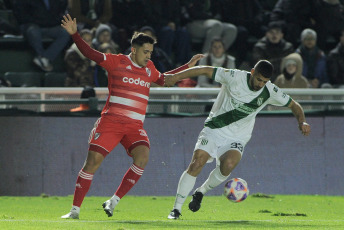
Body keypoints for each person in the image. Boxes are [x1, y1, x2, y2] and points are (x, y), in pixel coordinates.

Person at [60, 14, 203, 219]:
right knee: (92, 162)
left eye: (151, 52)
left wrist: (188, 67)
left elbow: (167, 80)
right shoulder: (116, 61)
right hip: (111, 122)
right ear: (133, 50)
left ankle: (113, 201)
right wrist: (75, 35)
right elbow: (90, 53)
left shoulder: (150, 69)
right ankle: (75, 211)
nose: (149, 56)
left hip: (134, 126)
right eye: (146, 52)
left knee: (142, 158)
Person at [163, 60, 311, 219]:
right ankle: (176, 209)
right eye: (259, 79)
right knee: (197, 163)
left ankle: (200, 192)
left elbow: (294, 105)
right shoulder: (234, 76)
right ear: (253, 72)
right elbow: (205, 69)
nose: (260, 84)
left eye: (265, 81)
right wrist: (175, 77)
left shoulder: (270, 90)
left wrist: (301, 121)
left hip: (238, 137)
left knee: (228, 165)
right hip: (215, 128)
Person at [12, 0, 70, 72]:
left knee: (66, 31)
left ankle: (45, 58)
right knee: (33, 31)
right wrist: (43, 21)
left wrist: (48, 22)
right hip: (31, 25)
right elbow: (22, 16)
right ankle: (39, 56)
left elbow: (60, 13)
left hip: (50, 25)